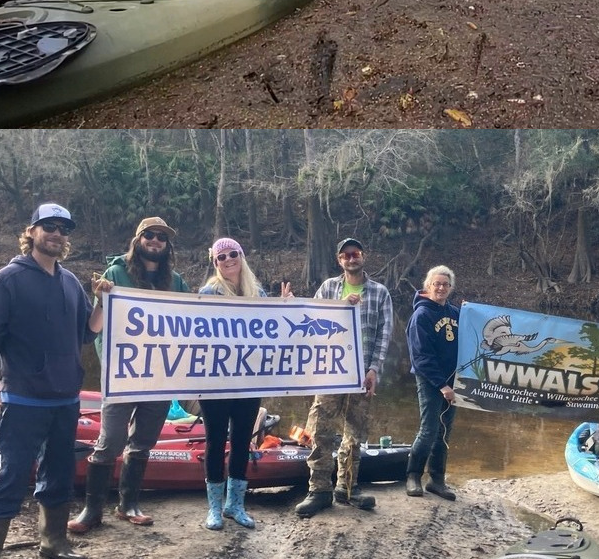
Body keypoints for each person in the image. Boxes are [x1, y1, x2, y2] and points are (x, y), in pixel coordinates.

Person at [0, 202, 108, 559]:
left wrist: (101, 301)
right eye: (48, 227)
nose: (57, 234)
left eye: (63, 229)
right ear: (30, 231)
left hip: (65, 400)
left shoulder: (69, 282)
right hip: (22, 399)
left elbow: (87, 332)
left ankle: (53, 541)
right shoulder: (9, 279)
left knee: (60, 473)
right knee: (10, 475)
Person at [68, 216, 191, 535]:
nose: (155, 241)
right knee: (110, 442)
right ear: (138, 240)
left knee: (143, 443)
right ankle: (91, 511)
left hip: (161, 375)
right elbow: (94, 328)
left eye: (162, 238)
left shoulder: (175, 281)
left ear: (167, 246)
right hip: (121, 375)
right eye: (149, 235)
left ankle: (128, 505)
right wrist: (102, 298)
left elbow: (193, 322)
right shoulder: (115, 274)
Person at [295, 237, 394, 518]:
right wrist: (341, 305)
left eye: (356, 253)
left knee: (354, 433)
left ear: (363, 256)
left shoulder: (380, 292)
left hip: (361, 374)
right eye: (346, 255)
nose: (352, 258)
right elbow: (310, 319)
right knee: (320, 430)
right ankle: (319, 491)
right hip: (330, 371)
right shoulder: (328, 288)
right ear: (340, 260)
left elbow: (384, 336)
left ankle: (347, 487)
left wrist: (374, 369)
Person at [197, 237, 292, 532]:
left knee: (241, 440)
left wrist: (286, 309)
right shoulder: (207, 293)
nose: (227, 260)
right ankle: (213, 507)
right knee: (215, 441)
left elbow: (274, 331)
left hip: (250, 380)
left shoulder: (258, 293)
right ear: (215, 263)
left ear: (242, 256)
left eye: (233, 254)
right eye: (221, 257)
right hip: (215, 381)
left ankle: (234, 504)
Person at [404, 265, 460, 502]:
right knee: (429, 430)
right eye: (436, 283)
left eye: (445, 284)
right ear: (428, 286)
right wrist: (441, 385)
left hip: (453, 379)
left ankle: (437, 480)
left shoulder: (456, 313)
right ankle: (413, 475)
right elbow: (421, 356)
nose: (441, 288)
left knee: (445, 430)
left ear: (450, 288)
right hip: (429, 379)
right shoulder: (421, 315)